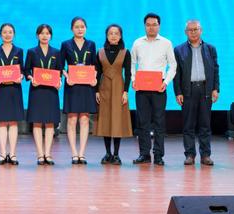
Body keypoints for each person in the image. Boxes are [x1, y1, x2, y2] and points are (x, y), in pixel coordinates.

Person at [130, 13, 176, 166]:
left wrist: (166, 82)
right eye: (148, 25)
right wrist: (134, 80)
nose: (151, 27)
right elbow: (132, 63)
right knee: (142, 122)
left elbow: (173, 65)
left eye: (154, 24)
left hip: (159, 87)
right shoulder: (137, 43)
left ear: (159, 26)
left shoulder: (166, 43)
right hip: (141, 87)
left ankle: (158, 155)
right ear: (145, 26)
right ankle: (144, 154)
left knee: (159, 122)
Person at [173, 20, 220, 166]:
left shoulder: (210, 49)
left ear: (201, 30)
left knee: (205, 125)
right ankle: (190, 155)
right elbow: (176, 73)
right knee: (188, 125)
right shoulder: (178, 50)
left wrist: (216, 88)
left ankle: (206, 155)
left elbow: (216, 70)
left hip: (206, 89)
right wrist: (178, 92)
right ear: (185, 32)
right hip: (188, 90)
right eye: (190, 30)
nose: (193, 32)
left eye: (196, 29)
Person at [60, 17, 98, 165]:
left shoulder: (91, 44)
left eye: (82, 26)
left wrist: (94, 78)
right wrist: (67, 76)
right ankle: (74, 153)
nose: (80, 29)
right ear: (72, 29)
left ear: (86, 28)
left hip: (87, 85)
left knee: (84, 119)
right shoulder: (66, 44)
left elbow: (94, 65)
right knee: (72, 119)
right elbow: (60, 66)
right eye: (77, 27)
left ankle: (82, 153)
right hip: (72, 85)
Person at [94, 24, 133, 165]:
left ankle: (116, 154)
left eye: (116, 33)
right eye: (111, 33)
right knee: (106, 121)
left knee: (117, 120)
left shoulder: (125, 52)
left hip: (118, 88)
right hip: (104, 88)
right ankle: (107, 153)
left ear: (120, 36)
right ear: (106, 35)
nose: (113, 36)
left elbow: (128, 74)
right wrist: (96, 91)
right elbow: (97, 73)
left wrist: (126, 92)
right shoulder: (100, 52)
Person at [24, 24, 63, 165]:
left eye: (47, 33)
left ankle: (48, 154)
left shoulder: (56, 52)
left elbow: (59, 71)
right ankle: (40, 154)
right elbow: (26, 70)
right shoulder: (32, 52)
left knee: (50, 122)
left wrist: (59, 81)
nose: (45, 36)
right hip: (37, 90)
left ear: (51, 36)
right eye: (42, 33)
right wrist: (31, 78)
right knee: (37, 122)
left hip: (51, 91)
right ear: (37, 35)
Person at [0, 23, 24, 166]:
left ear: (14, 34)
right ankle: (3, 153)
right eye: (5, 32)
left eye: (10, 32)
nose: (7, 34)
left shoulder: (19, 51)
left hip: (14, 89)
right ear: (0, 34)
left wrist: (21, 76)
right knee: (2, 122)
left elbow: (23, 69)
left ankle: (13, 154)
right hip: (1, 90)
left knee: (14, 122)